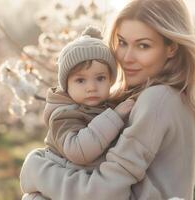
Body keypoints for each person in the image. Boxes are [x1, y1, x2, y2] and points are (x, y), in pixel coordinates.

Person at [20, 0, 195, 199]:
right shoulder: (161, 96)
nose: (126, 57)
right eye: (122, 43)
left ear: (171, 48)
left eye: (143, 46)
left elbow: (102, 193)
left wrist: (36, 169)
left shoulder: (158, 100)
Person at [22, 26, 135, 199]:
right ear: (66, 85)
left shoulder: (103, 108)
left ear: (110, 80)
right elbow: (78, 151)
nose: (91, 87)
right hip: (55, 191)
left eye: (100, 78)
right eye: (80, 80)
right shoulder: (63, 115)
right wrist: (115, 117)